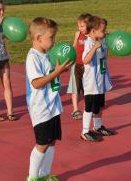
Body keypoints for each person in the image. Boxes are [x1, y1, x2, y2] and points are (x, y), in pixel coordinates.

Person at [25, 17, 73, 180]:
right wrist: (56, 73)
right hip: (41, 108)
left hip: (53, 106)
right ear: (38, 39)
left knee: (52, 141)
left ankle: (44, 174)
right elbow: (37, 83)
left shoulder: (48, 54)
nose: (54, 41)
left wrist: (60, 71)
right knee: (42, 143)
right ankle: (32, 177)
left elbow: (51, 75)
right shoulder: (33, 57)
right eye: (51, 38)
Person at [80, 16, 115, 142]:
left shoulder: (101, 40)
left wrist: (106, 38)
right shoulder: (89, 43)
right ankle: (85, 131)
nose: (105, 32)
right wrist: (95, 47)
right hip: (91, 83)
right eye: (103, 30)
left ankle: (98, 127)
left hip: (100, 80)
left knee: (99, 106)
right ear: (93, 31)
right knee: (89, 107)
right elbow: (85, 60)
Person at [67, 13, 92, 120]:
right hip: (76, 64)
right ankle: (75, 109)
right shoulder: (78, 35)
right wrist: (76, 38)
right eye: (79, 26)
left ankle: (88, 107)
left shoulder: (92, 36)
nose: (79, 28)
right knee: (75, 87)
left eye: (82, 26)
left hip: (87, 66)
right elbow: (73, 48)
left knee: (87, 88)